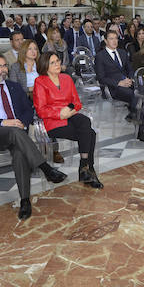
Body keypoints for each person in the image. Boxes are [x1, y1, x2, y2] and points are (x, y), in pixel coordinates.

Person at [0, 53, 66, 220]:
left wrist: (22, 121)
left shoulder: (14, 87)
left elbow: (28, 109)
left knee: (20, 153)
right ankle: (45, 168)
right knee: (15, 132)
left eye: (4, 66)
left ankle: (24, 201)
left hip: (18, 132)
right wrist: (3, 122)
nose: (3, 70)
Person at [34, 52, 102, 188]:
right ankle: (88, 170)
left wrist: (69, 110)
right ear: (45, 66)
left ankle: (85, 167)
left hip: (70, 114)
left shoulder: (66, 78)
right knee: (90, 134)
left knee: (85, 121)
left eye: (58, 61)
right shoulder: (40, 82)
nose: (57, 64)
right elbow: (41, 110)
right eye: (52, 62)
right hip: (53, 121)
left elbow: (77, 102)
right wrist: (59, 114)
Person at [96, 30, 144, 143]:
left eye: (116, 38)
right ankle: (141, 130)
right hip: (113, 88)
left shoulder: (122, 52)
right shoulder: (100, 56)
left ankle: (133, 114)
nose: (114, 41)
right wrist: (118, 83)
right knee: (134, 95)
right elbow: (101, 78)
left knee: (142, 89)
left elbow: (129, 69)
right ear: (105, 41)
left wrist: (130, 78)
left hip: (127, 82)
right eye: (111, 38)